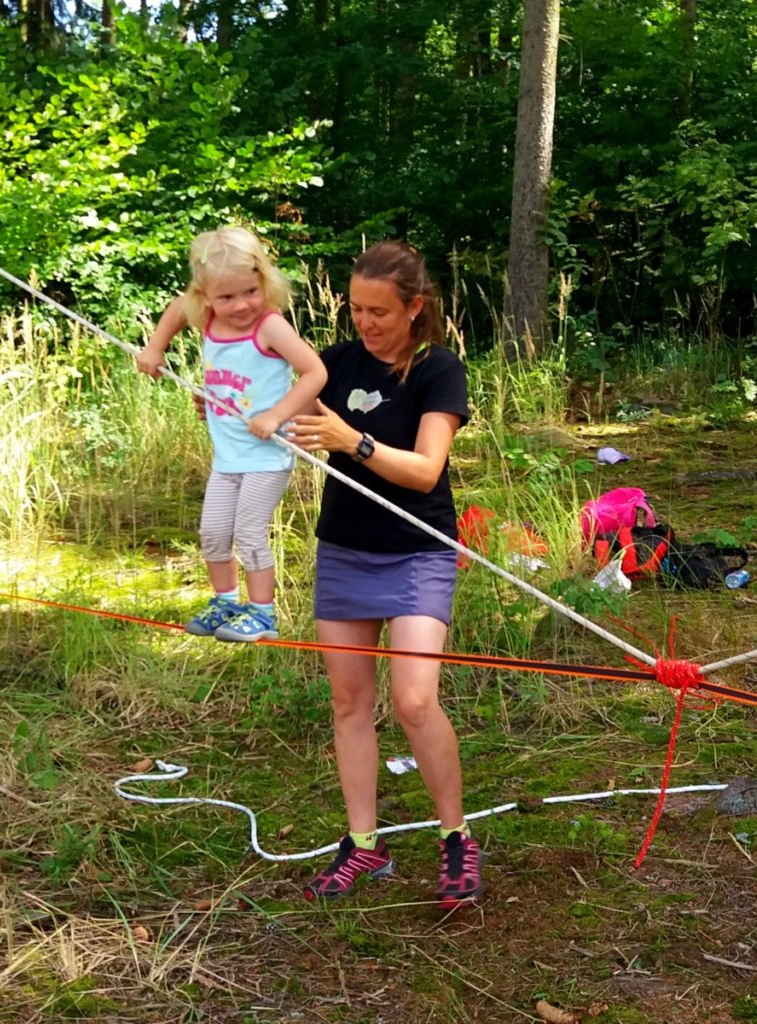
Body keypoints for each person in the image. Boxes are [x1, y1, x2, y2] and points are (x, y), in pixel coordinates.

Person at [286, 240, 483, 908]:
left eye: (378, 310)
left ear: (414, 307)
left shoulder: (437, 370)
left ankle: (455, 837)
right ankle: (364, 844)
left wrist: (354, 442)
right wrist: (231, 412)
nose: (364, 322)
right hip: (343, 551)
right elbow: (277, 416)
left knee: (414, 700)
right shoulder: (332, 364)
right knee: (348, 702)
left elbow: (425, 470)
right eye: (355, 308)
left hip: (417, 551)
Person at [136, 226, 327, 642]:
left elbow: (315, 372)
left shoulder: (269, 327)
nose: (241, 305)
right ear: (205, 297)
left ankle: (262, 614)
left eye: (250, 292)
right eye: (226, 297)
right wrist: (156, 348)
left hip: (266, 456)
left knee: (249, 533)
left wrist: (277, 415)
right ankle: (226, 601)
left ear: (264, 283)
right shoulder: (205, 319)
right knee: (213, 533)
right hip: (228, 457)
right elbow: (173, 311)